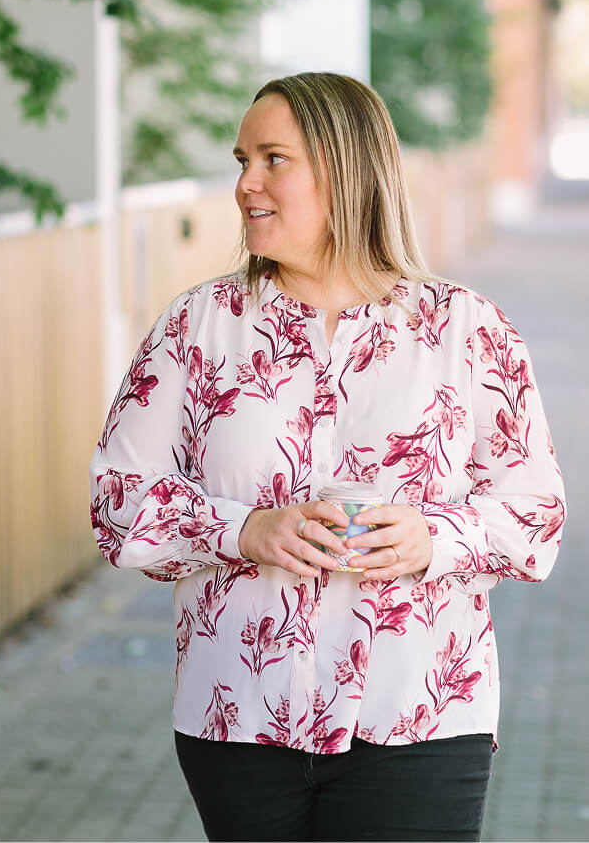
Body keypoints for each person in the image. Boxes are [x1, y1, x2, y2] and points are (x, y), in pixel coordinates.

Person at [90, 72, 565, 841]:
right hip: (238, 718)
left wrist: (434, 537)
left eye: (273, 159)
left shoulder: (466, 330)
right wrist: (243, 531)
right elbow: (117, 501)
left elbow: (537, 512)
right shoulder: (196, 326)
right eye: (242, 160)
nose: (246, 184)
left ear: (346, 171)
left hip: (421, 717)